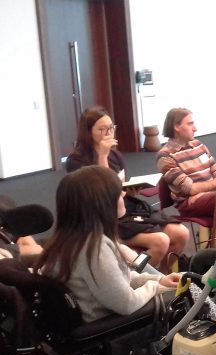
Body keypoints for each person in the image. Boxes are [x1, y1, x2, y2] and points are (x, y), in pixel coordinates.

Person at [38, 166, 180, 323]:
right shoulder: (94, 249)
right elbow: (127, 304)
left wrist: (158, 280)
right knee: (181, 302)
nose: (124, 194)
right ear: (103, 202)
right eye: (119, 192)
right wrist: (156, 288)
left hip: (99, 319)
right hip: (109, 327)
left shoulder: (71, 239)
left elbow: (117, 279)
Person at [66, 106, 189, 273]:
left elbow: (120, 188)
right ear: (88, 132)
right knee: (160, 241)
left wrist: (129, 190)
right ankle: (137, 282)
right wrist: (102, 156)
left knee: (181, 233)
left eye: (111, 128)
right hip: (101, 217)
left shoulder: (115, 155)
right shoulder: (77, 161)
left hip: (125, 207)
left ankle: (165, 276)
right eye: (102, 129)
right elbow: (104, 191)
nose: (109, 133)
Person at [157, 108, 216, 221]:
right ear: (176, 127)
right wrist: (214, 186)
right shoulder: (165, 156)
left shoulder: (199, 145)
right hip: (190, 204)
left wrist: (213, 187)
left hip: (212, 197)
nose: (195, 128)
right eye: (190, 124)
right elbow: (190, 189)